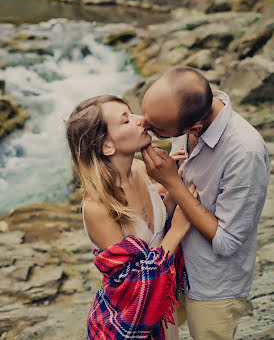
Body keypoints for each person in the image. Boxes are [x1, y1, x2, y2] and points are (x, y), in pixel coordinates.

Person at [141, 66, 270, 340]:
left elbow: (228, 241)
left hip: (214, 286)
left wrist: (174, 184)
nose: (145, 127)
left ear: (195, 129)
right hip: (173, 270)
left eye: (157, 130)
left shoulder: (245, 152)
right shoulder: (188, 110)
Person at [66, 94, 197, 340]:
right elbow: (133, 286)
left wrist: (172, 186)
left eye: (132, 113)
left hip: (161, 312)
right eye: (126, 121)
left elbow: (153, 233)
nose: (142, 120)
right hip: (129, 323)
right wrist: (178, 230)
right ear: (107, 146)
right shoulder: (97, 206)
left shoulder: (138, 168)